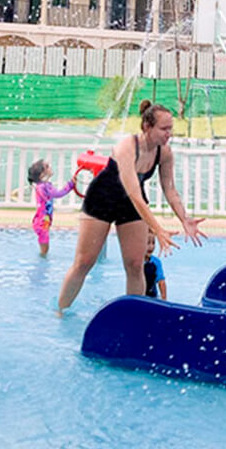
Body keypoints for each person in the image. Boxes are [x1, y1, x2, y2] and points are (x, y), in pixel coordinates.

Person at [57, 100, 206, 313]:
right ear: (147, 127)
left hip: (131, 204)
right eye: (164, 129)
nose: (169, 134)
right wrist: (158, 228)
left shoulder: (164, 153)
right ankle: (60, 311)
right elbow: (135, 193)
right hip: (102, 199)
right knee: (84, 263)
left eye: (170, 128)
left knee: (136, 265)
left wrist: (184, 218)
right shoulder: (127, 147)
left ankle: (133, 317)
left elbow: (170, 189)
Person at [27, 159, 75, 257]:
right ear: (42, 175)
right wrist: (70, 185)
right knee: (44, 248)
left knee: (44, 246)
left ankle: (42, 257)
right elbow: (58, 194)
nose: (50, 167)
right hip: (42, 221)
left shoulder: (44, 186)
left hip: (42, 220)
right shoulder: (43, 187)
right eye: (47, 166)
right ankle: (42, 259)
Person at [143, 231, 167, 300]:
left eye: (153, 243)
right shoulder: (137, 262)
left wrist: (164, 300)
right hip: (139, 297)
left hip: (152, 297)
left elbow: (161, 281)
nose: (151, 246)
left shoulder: (156, 262)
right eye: (148, 243)